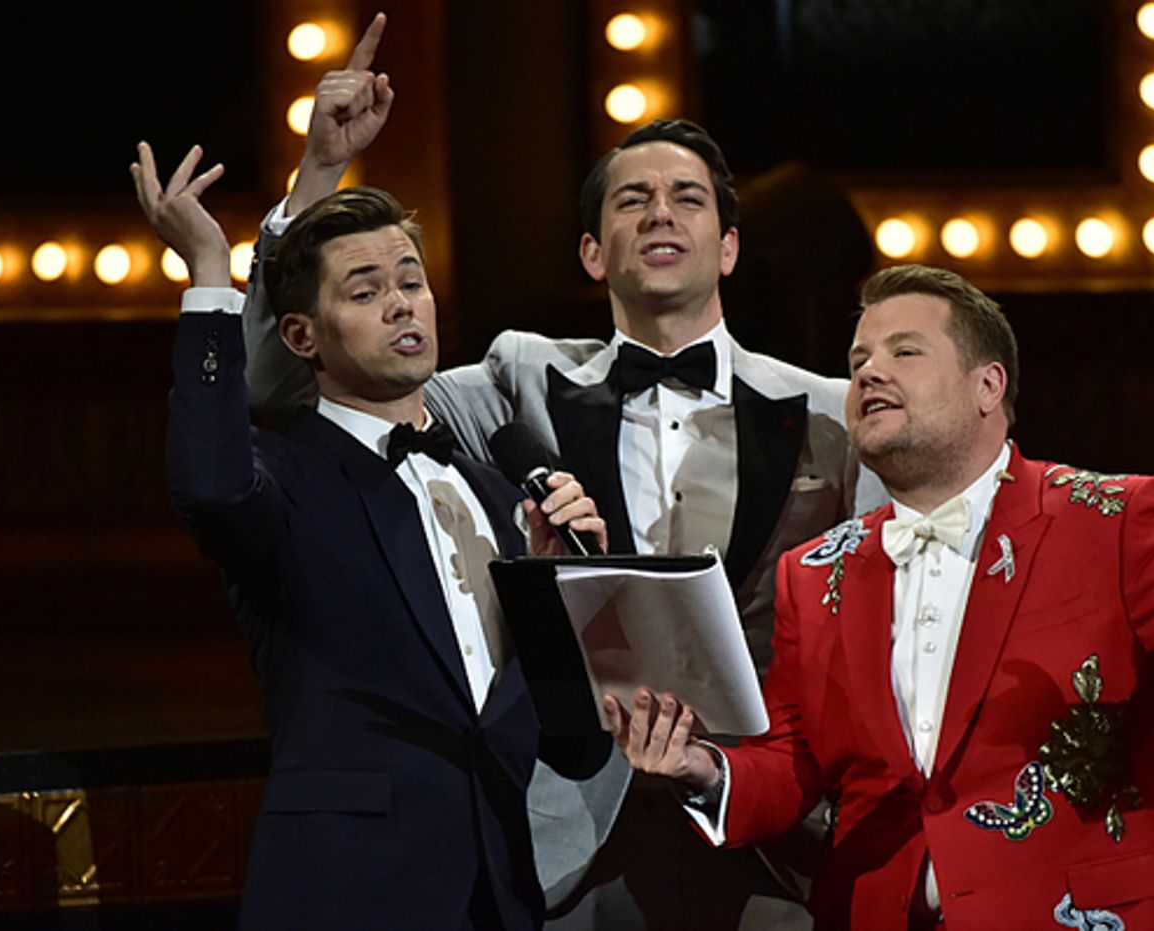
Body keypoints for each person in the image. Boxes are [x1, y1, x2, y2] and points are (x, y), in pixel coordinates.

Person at [240, 14, 885, 930]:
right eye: (631, 200)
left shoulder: (829, 409)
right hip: (570, 842)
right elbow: (282, 384)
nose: (660, 213)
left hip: (766, 834)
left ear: (729, 246)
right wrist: (318, 174)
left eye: (687, 198)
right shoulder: (515, 379)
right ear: (592, 252)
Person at [606, 264, 1154, 930]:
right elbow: (793, 763)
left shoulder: (1114, 517)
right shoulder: (813, 572)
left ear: (987, 385)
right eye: (858, 361)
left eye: (905, 351)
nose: (870, 371)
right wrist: (702, 767)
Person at [132, 142, 610, 930]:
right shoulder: (281, 477)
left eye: (411, 282)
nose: (400, 304)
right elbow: (209, 486)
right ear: (302, 336)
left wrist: (558, 603)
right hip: (345, 895)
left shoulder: (495, 493)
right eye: (365, 290)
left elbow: (575, 749)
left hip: (499, 897)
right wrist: (209, 274)